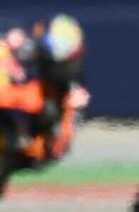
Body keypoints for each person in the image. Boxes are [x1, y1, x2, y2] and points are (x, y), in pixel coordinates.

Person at [0, 14, 89, 191]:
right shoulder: (31, 49)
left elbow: (57, 147)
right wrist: (9, 45)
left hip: (33, 147)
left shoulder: (69, 98)